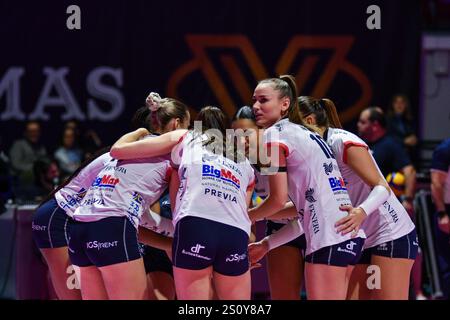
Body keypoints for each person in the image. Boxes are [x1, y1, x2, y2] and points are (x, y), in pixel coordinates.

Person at [111, 106, 255, 300]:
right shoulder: (245, 162)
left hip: (195, 225)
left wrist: (141, 132)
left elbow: (118, 151)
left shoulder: (187, 137)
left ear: (197, 126)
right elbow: (243, 210)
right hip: (235, 233)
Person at [247, 75, 365, 300]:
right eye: (254, 100)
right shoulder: (304, 133)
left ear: (285, 104)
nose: (255, 106)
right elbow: (301, 208)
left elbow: (277, 200)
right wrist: (266, 243)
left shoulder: (274, 135)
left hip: (329, 238)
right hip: (348, 235)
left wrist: (244, 216)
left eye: (263, 100)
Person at [68, 94, 190, 300]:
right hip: (113, 227)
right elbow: (178, 206)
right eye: (188, 125)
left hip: (79, 227)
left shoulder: (130, 146)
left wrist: (171, 235)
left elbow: (138, 215)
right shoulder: (176, 151)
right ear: (177, 124)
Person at [298, 96, 417, 300]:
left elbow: (382, 187)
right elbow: (309, 201)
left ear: (309, 122)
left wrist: (361, 212)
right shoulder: (313, 153)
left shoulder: (342, 142)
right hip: (361, 238)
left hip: (389, 233)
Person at [232, 106, 305, 300]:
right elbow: (245, 218)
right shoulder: (242, 166)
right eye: (236, 135)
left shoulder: (286, 154)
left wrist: (257, 214)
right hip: (280, 230)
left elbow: (303, 209)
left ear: (263, 131)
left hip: (314, 225)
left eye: (246, 133)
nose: (241, 141)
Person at [357, 107, 417, 213]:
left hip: (382, 204)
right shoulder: (359, 143)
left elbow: (410, 171)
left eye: (363, 122)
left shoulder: (391, 145)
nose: (358, 125)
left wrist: (408, 200)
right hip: (360, 200)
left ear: (375, 125)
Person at [430, 138, 450, 298]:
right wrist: (443, 213)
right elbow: (436, 183)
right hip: (447, 210)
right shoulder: (445, 149)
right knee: (447, 262)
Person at [9, 121, 47, 186]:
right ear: (25, 133)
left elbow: (44, 161)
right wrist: (35, 168)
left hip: (38, 180)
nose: (34, 134)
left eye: (36, 131)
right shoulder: (18, 145)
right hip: (20, 180)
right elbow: (16, 164)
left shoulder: (41, 147)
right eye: (31, 131)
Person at [386, 95, 418, 159]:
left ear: (406, 105)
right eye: (396, 102)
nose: (399, 105)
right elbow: (387, 137)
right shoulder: (387, 120)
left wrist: (414, 139)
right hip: (393, 154)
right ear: (393, 105)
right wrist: (403, 141)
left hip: (408, 154)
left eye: (402, 102)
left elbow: (412, 135)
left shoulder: (409, 120)